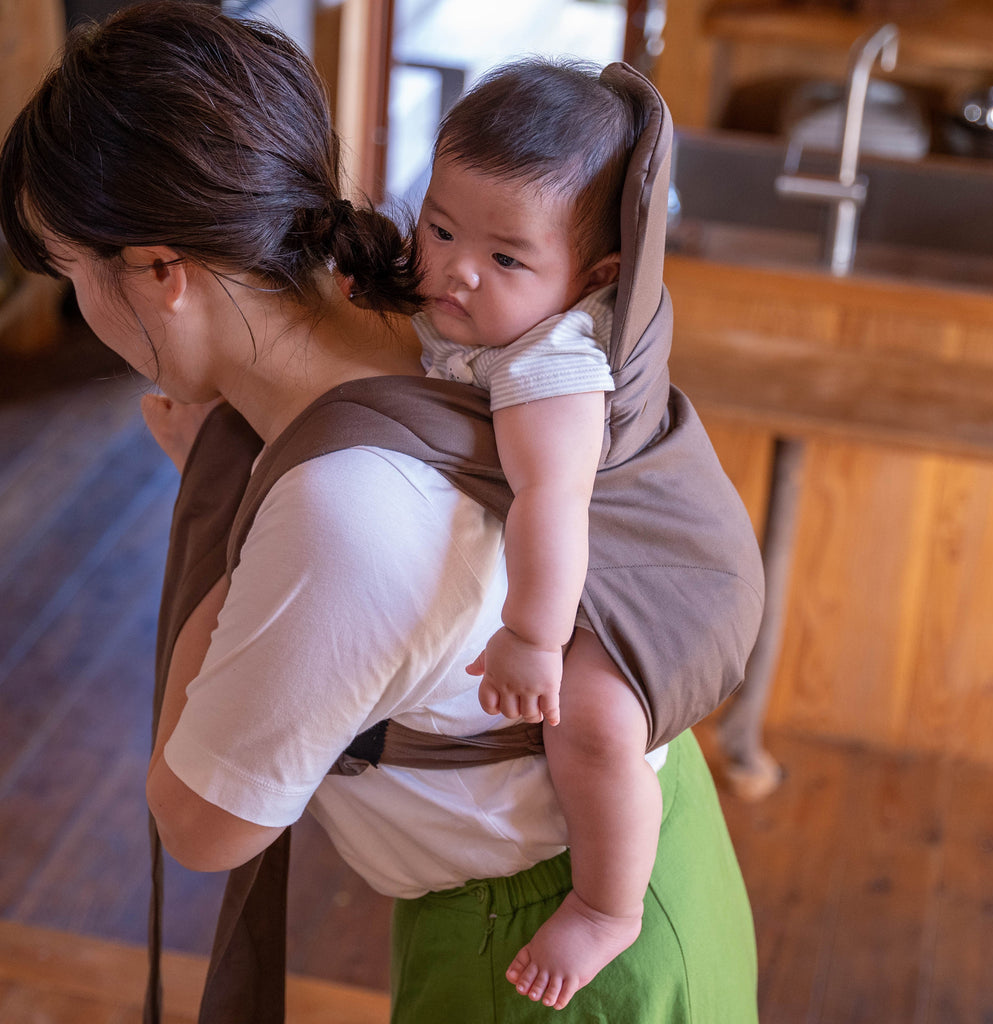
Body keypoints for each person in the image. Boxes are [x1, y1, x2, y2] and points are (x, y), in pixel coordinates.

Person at [0, 3, 761, 1021]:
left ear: (159, 272)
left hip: (548, 950)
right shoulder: (421, 302)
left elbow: (199, 823)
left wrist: (235, 530)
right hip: (643, 843)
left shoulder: (338, 512)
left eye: (71, 271)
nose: (80, 308)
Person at [412, 59, 662, 1007]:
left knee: (595, 726)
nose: (454, 269)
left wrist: (533, 637)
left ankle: (608, 906)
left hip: (618, 570)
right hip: (577, 551)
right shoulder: (480, 294)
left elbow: (550, 500)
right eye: (439, 226)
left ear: (590, 278)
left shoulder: (554, 364)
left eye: (506, 258)